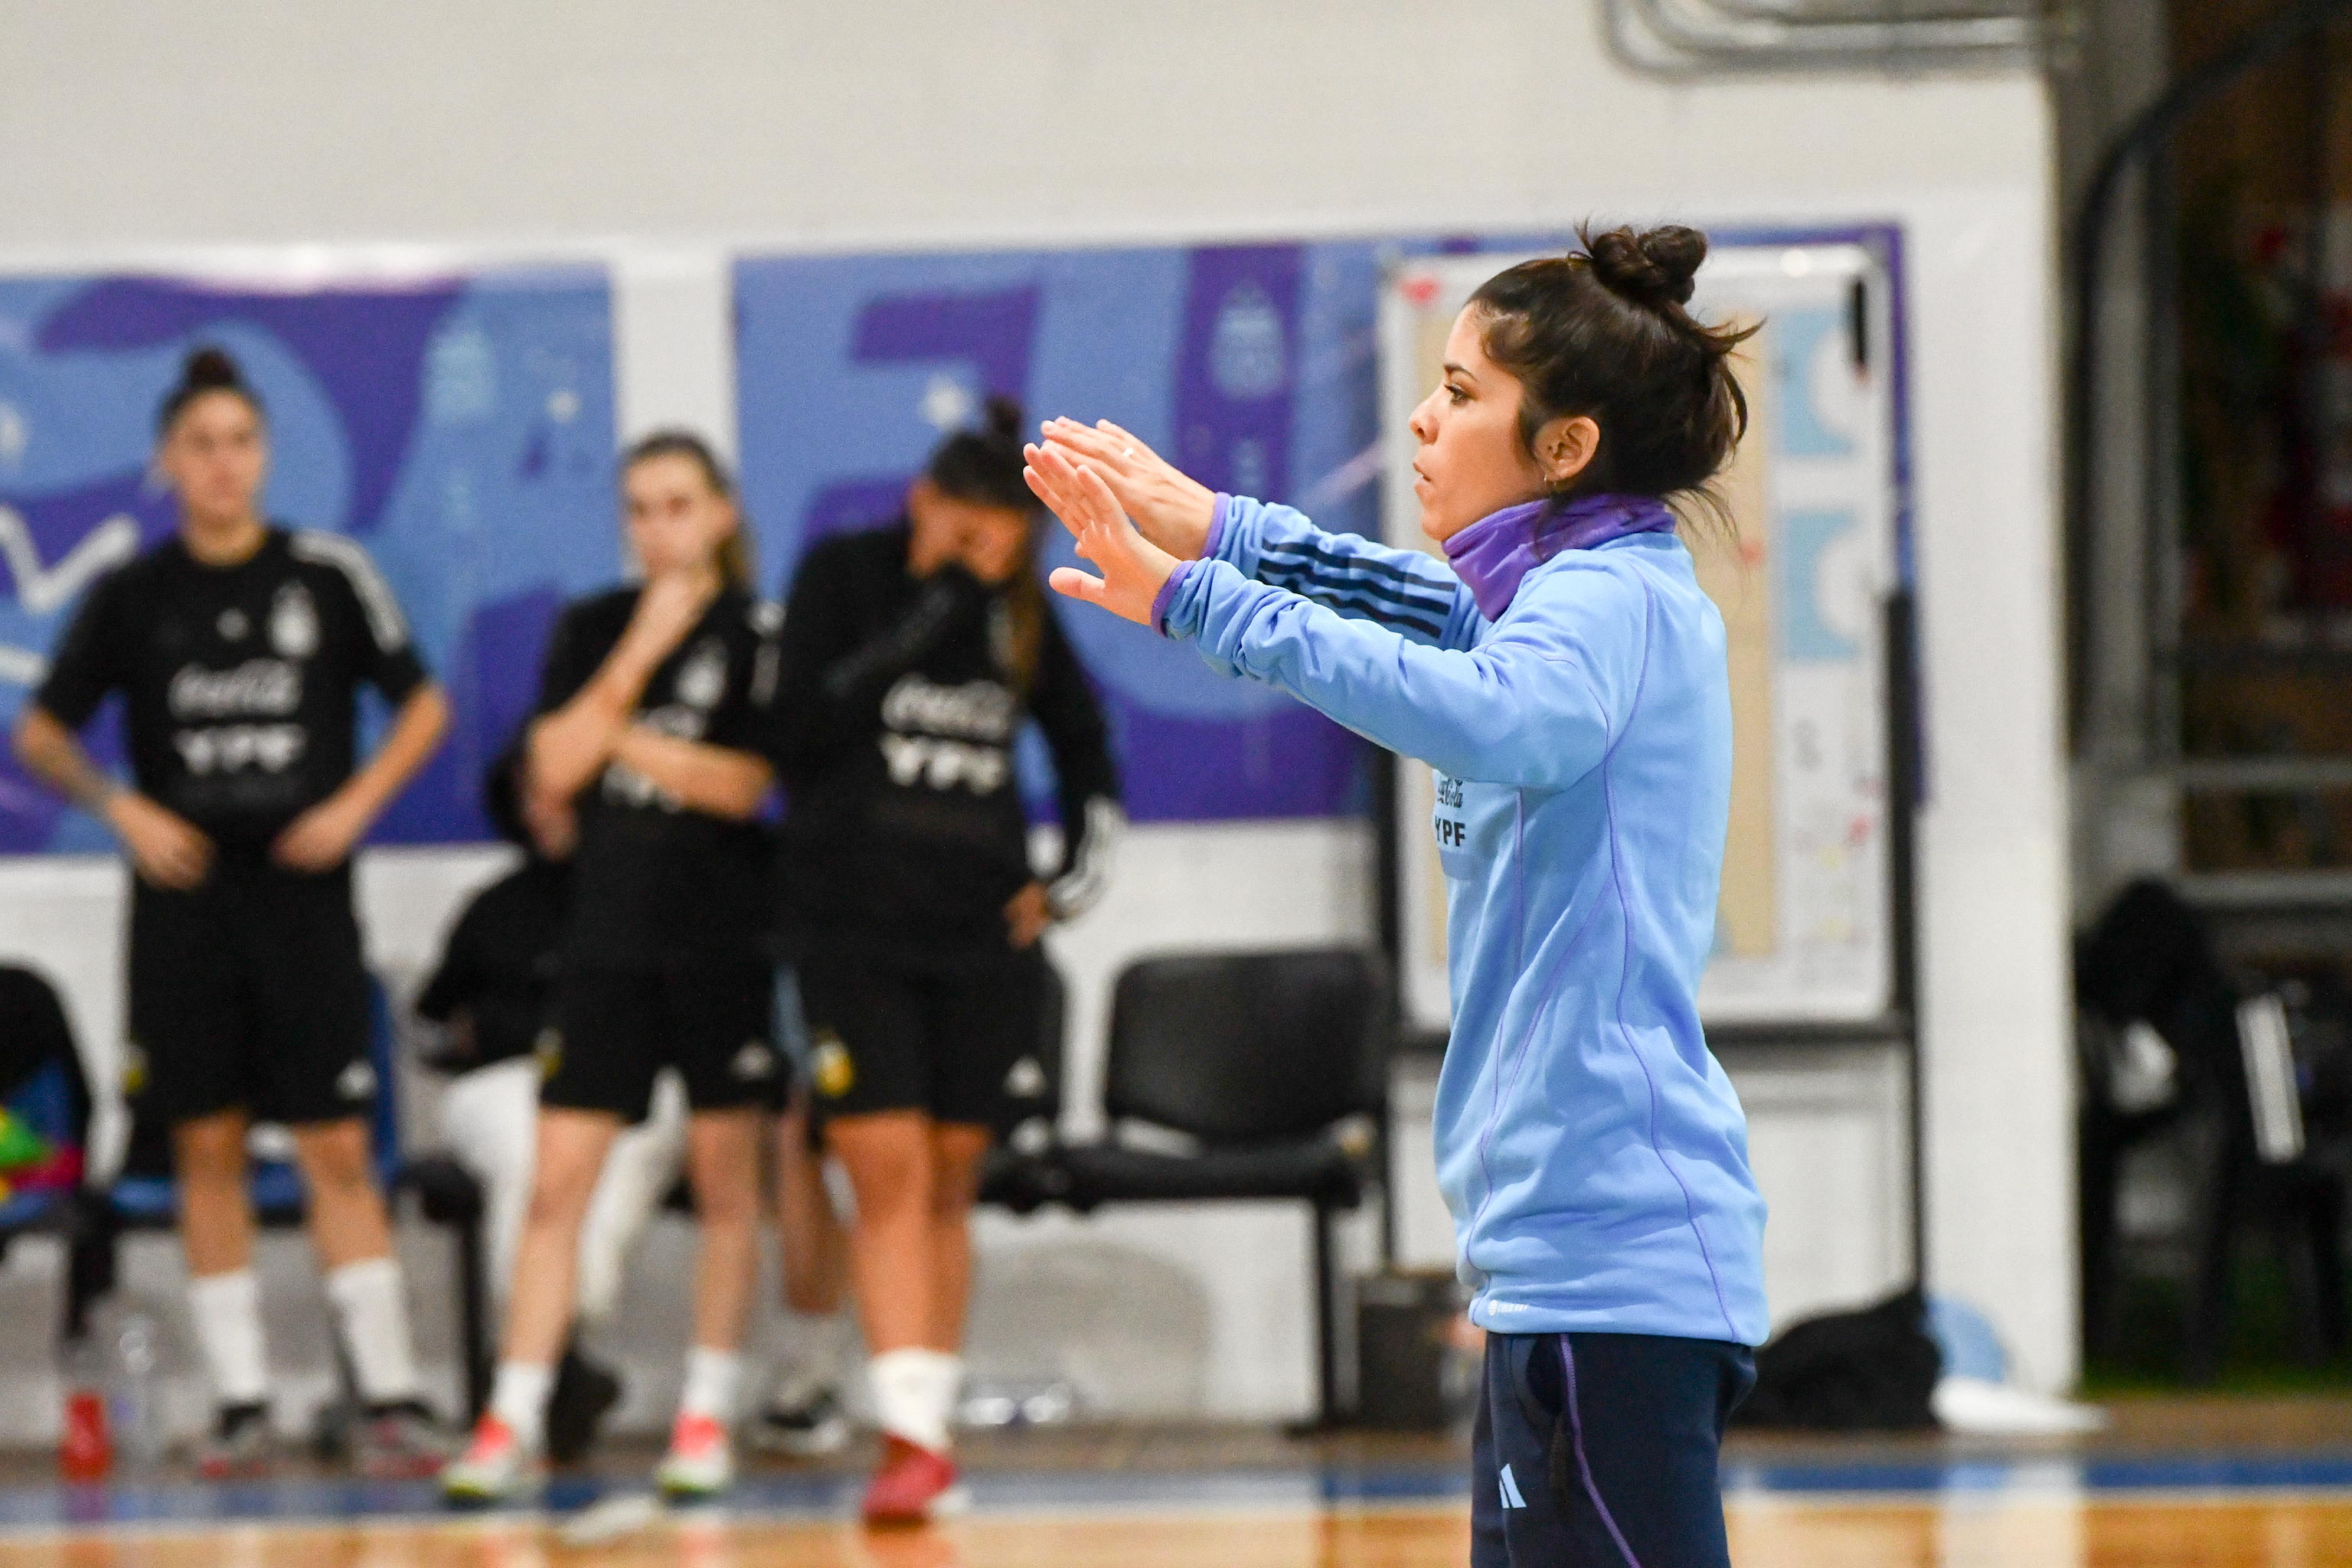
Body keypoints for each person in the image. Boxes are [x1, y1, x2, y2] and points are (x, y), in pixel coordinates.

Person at [1026, 225, 1770, 1568]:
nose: (1423, 422)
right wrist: (1226, 532)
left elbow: (1485, 708)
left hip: (1614, 1267)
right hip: (1559, 1271)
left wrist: (1208, 599)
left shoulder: (1610, 604)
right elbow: (1435, 615)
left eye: (1462, 393)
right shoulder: (1567, 590)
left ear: (1564, 448)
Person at [11, 347, 454, 1478]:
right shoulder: (134, 594)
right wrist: (123, 809)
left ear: (265, 454)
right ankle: (245, 1402)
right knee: (203, 1143)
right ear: (168, 462)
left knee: (336, 1144)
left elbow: (423, 705)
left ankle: (392, 1396)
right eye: (200, 445)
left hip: (304, 904)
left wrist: (355, 804)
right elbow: (41, 732)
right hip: (185, 912)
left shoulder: (326, 574)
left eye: (241, 442)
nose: (223, 465)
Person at [770, 396, 1121, 1524]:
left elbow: (1087, 755)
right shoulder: (843, 577)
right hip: (851, 930)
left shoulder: (1023, 617)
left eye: (1000, 535)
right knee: (885, 1170)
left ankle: (926, 1426)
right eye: (964, 528)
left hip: (977, 939)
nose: (985, 553)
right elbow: (799, 729)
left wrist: (1060, 887)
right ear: (924, 505)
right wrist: (932, 609)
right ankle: (908, 1437)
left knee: (949, 1177)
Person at [441, 431, 781, 1503]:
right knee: (556, 1184)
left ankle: (705, 1415)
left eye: (678, 505)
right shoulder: (595, 626)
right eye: (638, 508)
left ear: (721, 514)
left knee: (729, 1188)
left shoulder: (763, 635)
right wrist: (640, 652)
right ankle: (511, 1416)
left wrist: (620, 741)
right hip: (607, 940)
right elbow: (547, 766)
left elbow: (745, 787)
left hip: (719, 936)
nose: (657, 528)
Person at [416, 745, 686, 1463]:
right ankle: (562, 1364)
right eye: (531, 793)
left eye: (561, 790)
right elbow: (434, 1015)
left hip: (633, 1080)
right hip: (509, 1080)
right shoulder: (496, 906)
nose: (546, 809)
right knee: (532, 1161)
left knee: (608, 1162)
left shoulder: (655, 899)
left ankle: (549, 1362)